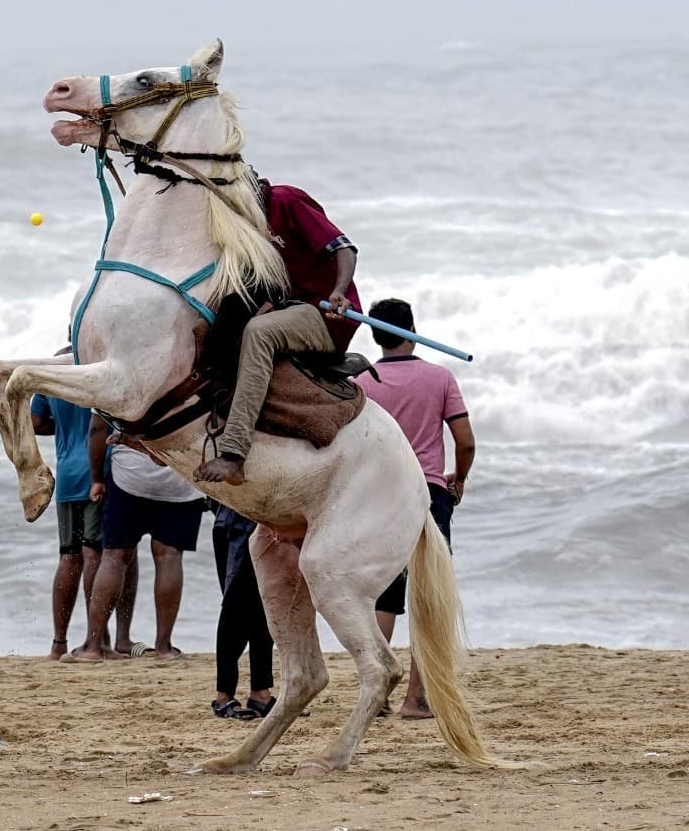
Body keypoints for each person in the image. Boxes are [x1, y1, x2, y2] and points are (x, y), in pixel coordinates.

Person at [352, 298, 475, 720]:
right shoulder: (440, 377)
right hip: (428, 491)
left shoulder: (364, 382)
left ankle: (377, 694)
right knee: (428, 594)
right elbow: (466, 441)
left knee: (385, 594)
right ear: (413, 329)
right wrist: (459, 478)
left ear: (374, 335)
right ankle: (416, 699)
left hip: (380, 492)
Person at [195, 179, 361, 486]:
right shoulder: (246, 220)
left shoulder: (287, 200)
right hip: (292, 308)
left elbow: (345, 248)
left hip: (325, 315)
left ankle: (234, 454)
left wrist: (339, 291)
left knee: (260, 331)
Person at [63, 418, 204, 662]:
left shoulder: (120, 377)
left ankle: (93, 646)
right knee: (169, 557)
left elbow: (98, 427)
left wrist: (96, 478)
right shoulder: (196, 377)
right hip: (180, 475)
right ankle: (164, 648)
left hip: (130, 475)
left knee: (115, 556)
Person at [32, 387, 106, 660]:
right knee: (94, 553)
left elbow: (35, 422)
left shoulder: (52, 374)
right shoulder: (93, 363)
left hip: (66, 475)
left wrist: (64, 427)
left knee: (68, 557)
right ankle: (95, 640)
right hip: (97, 471)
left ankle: (58, 643)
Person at [210, 501, 276, 719]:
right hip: (237, 522)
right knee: (235, 607)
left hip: (266, 520)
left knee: (264, 606)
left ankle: (260, 692)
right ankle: (223, 695)